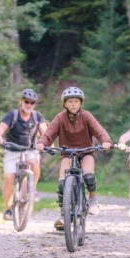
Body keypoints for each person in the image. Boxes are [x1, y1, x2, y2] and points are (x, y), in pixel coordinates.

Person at [36, 86, 112, 229]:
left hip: (86, 151)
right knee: (61, 183)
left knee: (88, 176)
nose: (73, 104)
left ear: (81, 103)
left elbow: (99, 129)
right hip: (68, 153)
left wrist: (105, 141)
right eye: (70, 101)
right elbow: (49, 133)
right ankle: (63, 215)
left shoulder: (87, 116)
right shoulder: (60, 118)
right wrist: (41, 143)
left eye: (76, 101)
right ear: (65, 103)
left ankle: (93, 199)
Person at [0, 88, 48, 221]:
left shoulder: (37, 116)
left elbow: (45, 132)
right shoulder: (12, 115)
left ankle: (32, 188)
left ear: (34, 104)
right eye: (26, 101)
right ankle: (8, 209)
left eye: (32, 103)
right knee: (9, 177)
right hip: (12, 149)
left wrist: (49, 144)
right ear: (21, 101)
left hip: (30, 149)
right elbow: (0, 128)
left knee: (34, 162)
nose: (29, 105)